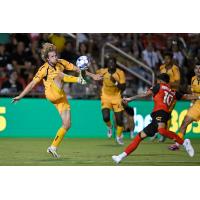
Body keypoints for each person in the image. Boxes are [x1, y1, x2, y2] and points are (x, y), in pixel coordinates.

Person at [12, 42, 102, 158]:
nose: (55, 58)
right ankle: (79, 81)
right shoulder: (43, 69)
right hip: (51, 93)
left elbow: (76, 68)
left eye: (55, 55)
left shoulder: (62, 62)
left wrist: (93, 75)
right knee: (59, 74)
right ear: (47, 58)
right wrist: (20, 96)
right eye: (52, 56)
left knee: (67, 124)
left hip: (60, 96)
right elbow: (32, 84)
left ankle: (53, 147)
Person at [112, 73, 198, 164]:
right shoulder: (173, 92)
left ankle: (184, 142)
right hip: (160, 114)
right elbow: (186, 96)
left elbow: (145, 94)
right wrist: (198, 96)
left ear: (160, 81)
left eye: (157, 80)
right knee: (139, 137)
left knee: (161, 131)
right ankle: (120, 157)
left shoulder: (159, 86)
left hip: (161, 112)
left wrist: (130, 99)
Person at [169, 62, 200, 150]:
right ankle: (177, 144)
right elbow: (194, 94)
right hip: (197, 105)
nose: (198, 70)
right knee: (184, 122)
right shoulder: (193, 79)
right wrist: (191, 104)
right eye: (196, 68)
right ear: (194, 70)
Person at [96, 56, 126, 145]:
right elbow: (95, 75)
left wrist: (115, 82)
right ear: (107, 64)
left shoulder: (120, 73)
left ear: (115, 63)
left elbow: (123, 88)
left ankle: (118, 137)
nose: (111, 64)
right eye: (109, 62)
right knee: (105, 117)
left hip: (117, 97)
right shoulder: (103, 71)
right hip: (105, 96)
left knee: (119, 120)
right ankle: (109, 127)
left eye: (113, 62)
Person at [152, 52, 181, 142]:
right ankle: (158, 131)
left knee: (166, 113)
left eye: (168, 58)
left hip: (171, 94)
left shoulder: (175, 69)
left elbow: (177, 83)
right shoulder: (162, 67)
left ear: (172, 59)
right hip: (161, 94)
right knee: (159, 111)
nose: (166, 60)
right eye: (165, 58)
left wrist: (165, 84)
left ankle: (163, 133)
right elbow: (160, 79)